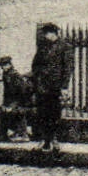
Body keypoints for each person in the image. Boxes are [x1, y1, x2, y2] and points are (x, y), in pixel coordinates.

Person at [30, 23, 72, 152]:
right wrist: (37, 79)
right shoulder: (42, 47)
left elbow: (68, 68)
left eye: (47, 33)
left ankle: (54, 139)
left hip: (55, 86)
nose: (45, 36)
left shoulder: (65, 47)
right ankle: (44, 140)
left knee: (54, 114)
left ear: (54, 33)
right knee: (42, 114)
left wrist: (64, 86)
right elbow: (35, 65)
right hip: (42, 86)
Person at [0, 56, 34, 142]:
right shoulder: (6, 75)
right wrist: (5, 105)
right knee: (3, 110)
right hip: (13, 101)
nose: (2, 67)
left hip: (22, 102)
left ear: (9, 64)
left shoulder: (15, 76)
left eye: (4, 65)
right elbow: (7, 94)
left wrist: (12, 106)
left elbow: (21, 93)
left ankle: (22, 134)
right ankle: (2, 133)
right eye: (1, 65)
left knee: (16, 111)